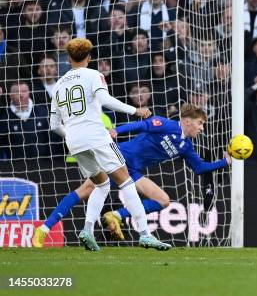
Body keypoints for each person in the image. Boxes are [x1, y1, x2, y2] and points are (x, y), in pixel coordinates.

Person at [34, 104, 230, 247]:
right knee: (86, 189)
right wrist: (115, 131)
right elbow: (142, 125)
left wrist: (226, 162)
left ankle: (116, 215)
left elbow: (199, 168)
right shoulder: (166, 124)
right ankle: (45, 228)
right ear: (187, 121)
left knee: (163, 200)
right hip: (118, 157)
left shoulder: (186, 147)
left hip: (132, 171)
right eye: (200, 123)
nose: (202, 128)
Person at [47, 38, 169, 251]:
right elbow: (106, 99)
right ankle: (145, 234)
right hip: (96, 136)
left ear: (68, 59)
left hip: (74, 143)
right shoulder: (94, 75)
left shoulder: (58, 85)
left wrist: (72, 134)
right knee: (126, 182)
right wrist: (135, 110)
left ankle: (86, 230)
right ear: (89, 57)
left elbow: (54, 124)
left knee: (102, 184)